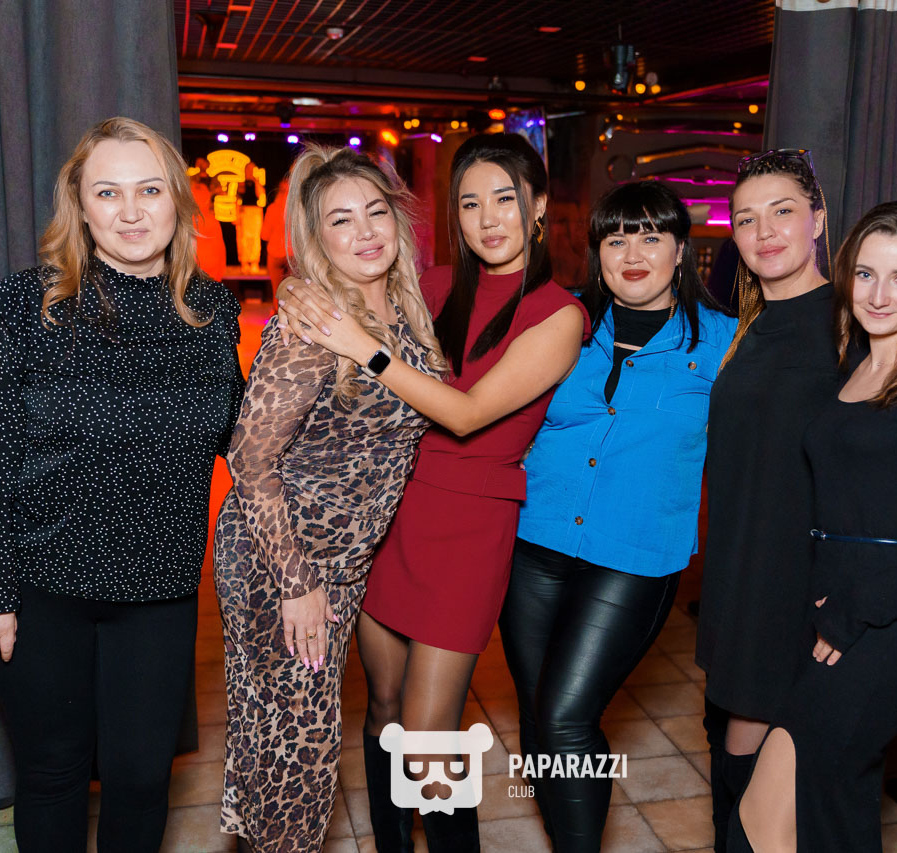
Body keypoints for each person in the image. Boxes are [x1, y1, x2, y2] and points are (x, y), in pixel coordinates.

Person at [696, 149, 897, 848]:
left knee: (773, 805)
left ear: (819, 221)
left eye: (782, 211)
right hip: (770, 590)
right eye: (746, 218)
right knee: (818, 809)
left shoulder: (859, 335)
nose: (764, 231)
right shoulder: (763, 330)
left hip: (845, 611)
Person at [0, 117, 244, 853]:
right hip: (42, 588)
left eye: (150, 190)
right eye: (108, 192)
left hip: (159, 588)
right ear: (79, 205)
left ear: (178, 202)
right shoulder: (26, 306)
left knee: (141, 779)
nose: (131, 211)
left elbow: (243, 434)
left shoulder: (211, 315)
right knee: (53, 773)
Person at [277, 132, 589, 852]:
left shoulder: (559, 314)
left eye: (505, 199)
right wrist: (297, 290)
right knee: (383, 707)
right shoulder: (435, 285)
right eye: (470, 203)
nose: (488, 218)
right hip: (391, 514)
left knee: (426, 738)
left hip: (471, 528)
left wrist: (365, 348)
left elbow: (468, 413)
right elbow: (338, 278)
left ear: (539, 205)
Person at [213, 145, 443, 853]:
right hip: (284, 561)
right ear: (317, 238)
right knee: (297, 753)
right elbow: (249, 458)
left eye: (376, 212)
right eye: (341, 220)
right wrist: (297, 583)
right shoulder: (313, 327)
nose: (365, 231)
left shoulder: (403, 311)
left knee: (292, 744)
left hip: (340, 564)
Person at [498, 181, 737, 852]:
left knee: (565, 718)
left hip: (633, 558)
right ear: (596, 251)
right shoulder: (563, 323)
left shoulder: (725, 341)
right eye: (616, 238)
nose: (633, 254)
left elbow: (823, 394)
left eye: (651, 237)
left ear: (682, 250)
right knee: (537, 720)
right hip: (534, 542)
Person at [262, 173, 292, 290]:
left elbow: (264, 235)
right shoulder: (297, 209)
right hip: (292, 255)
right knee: (292, 291)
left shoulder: (272, 208)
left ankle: (276, 302)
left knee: (277, 291)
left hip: (275, 254)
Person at [237, 161, 267, 273]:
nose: (250, 171)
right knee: (244, 239)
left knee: (255, 238)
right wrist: (236, 215)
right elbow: (237, 200)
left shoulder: (257, 183)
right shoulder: (241, 183)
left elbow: (261, 197)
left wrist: (256, 181)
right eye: (248, 169)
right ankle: (244, 262)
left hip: (256, 212)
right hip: (244, 211)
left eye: (252, 169)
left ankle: (254, 262)